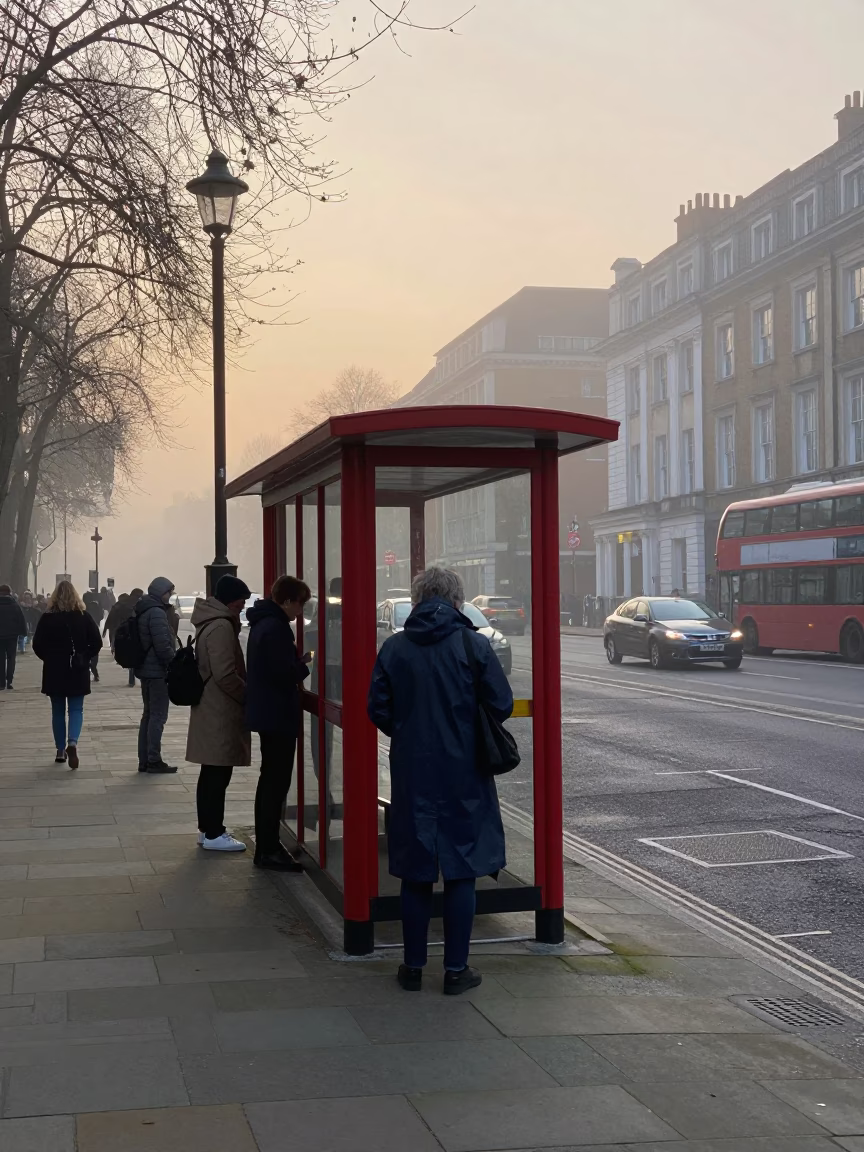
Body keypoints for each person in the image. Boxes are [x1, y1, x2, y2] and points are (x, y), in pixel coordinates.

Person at [367, 566, 513, 996]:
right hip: (465, 770)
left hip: (413, 770)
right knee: (461, 870)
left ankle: (412, 968)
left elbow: (377, 708)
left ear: (416, 600)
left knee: (415, 872)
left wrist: (411, 731)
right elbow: (501, 703)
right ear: (457, 600)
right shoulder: (472, 644)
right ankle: (455, 970)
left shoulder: (394, 648)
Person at [245, 574, 312, 871]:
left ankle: (267, 845)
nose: (300, 611)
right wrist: (304, 664)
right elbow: (283, 673)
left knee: (270, 780)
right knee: (275, 782)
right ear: (287, 601)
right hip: (277, 716)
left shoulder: (265, 624)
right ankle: (269, 848)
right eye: (299, 604)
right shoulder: (276, 629)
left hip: (268, 714)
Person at [186, 575, 251, 851]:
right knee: (218, 774)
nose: (243, 606)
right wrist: (247, 696)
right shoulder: (222, 626)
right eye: (241, 601)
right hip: (220, 709)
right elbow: (225, 673)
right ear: (230, 600)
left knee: (211, 772)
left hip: (210, 705)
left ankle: (207, 830)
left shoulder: (209, 622)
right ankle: (214, 832)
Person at [32, 580, 102, 767]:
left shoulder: (47, 618)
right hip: (77, 669)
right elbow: (97, 642)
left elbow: (37, 644)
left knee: (57, 711)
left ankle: (60, 750)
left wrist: (49, 658)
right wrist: (84, 656)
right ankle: (73, 742)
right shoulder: (83, 616)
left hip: (54, 669)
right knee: (76, 709)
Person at [134, 577, 178, 773]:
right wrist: (173, 664)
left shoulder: (143, 609)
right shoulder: (157, 613)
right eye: (169, 592)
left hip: (145, 670)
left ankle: (144, 759)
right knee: (158, 716)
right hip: (158, 671)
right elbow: (162, 646)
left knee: (148, 715)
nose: (171, 596)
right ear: (162, 593)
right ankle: (153, 759)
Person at [0, 584, 26, 690]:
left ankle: (1, 683)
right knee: (11, 658)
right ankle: (9, 680)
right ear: (10, 592)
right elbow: (21, 619)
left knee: (1, 658)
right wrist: (23, 632)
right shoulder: (14, 605)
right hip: (12, 636)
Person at [82, 590, 104, 681]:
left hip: (83, 631)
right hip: (95, 628)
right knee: (94, 648)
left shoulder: (82, 607)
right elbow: (101, 615)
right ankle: (94, 669)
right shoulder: (96, 606)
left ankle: (86, 669)